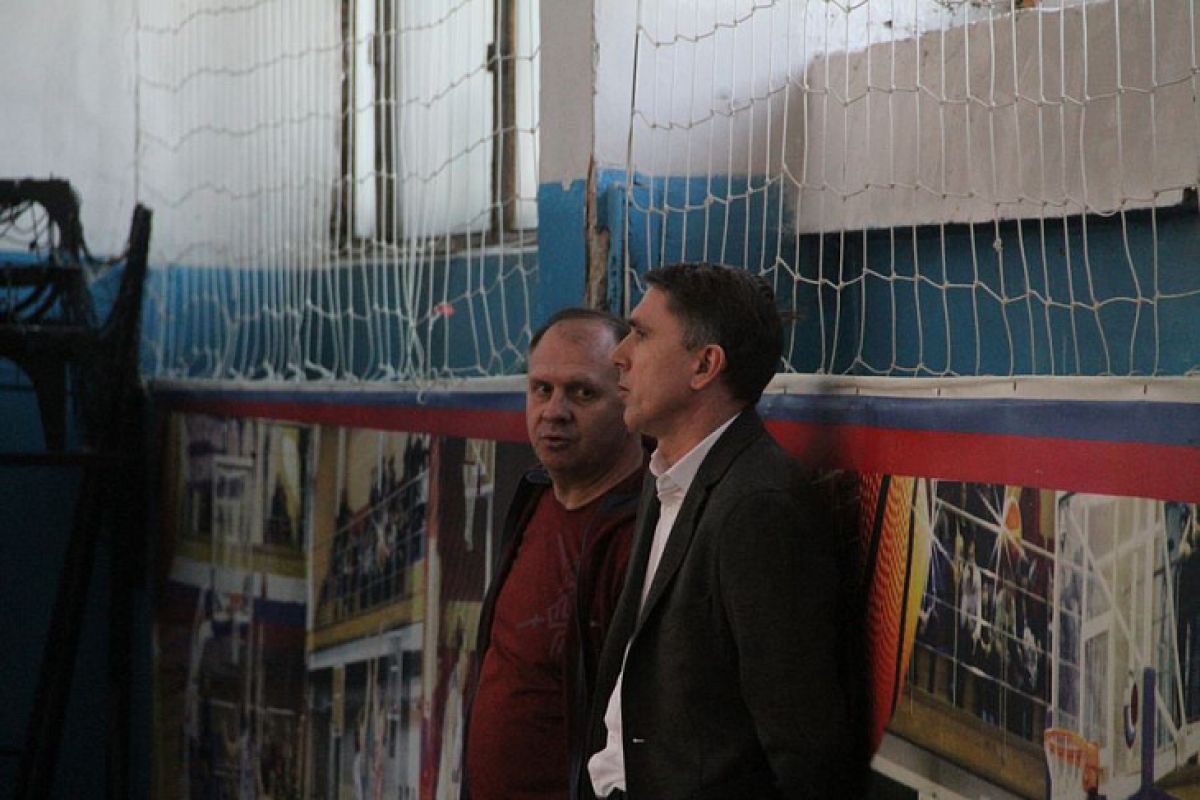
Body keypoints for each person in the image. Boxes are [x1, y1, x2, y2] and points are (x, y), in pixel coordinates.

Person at [584, 263, 859, 800]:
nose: (619, 355)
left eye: (642, 335)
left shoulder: (758, 506)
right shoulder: (667, 475)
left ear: (705, 365)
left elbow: (805, 747)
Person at [463, 308, 647, 800]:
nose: (554, 411)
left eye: (582, 393)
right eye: (541, 389)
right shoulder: (535, 498)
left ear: (629, 396)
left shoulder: (644, 534)